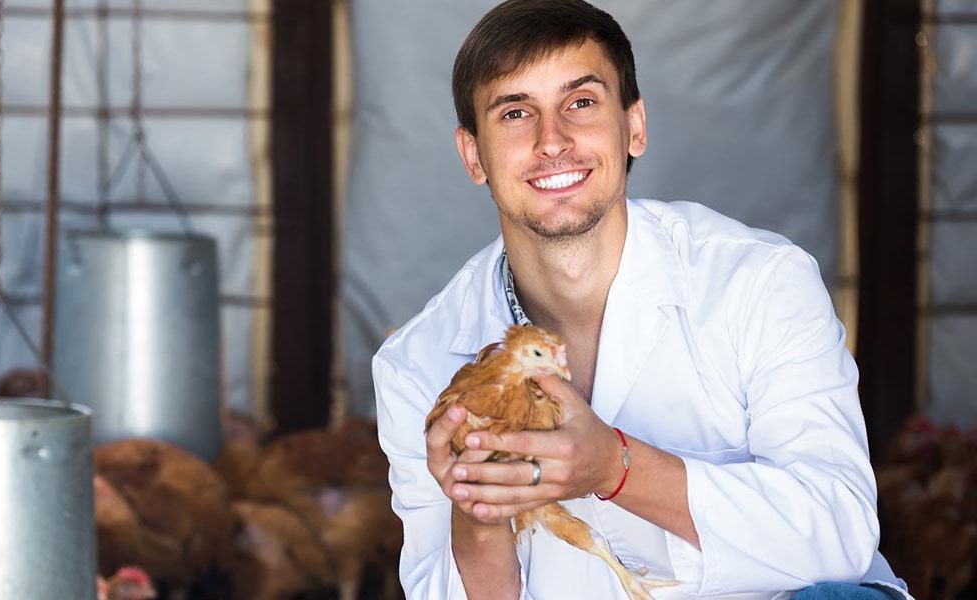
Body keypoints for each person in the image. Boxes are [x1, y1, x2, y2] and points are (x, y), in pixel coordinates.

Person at [371, 1, 911, 599]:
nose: (552, 141)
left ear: (634, 126)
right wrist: (477, 512)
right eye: (516, 113)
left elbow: (842, 531)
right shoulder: (417, 366)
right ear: (474, 155)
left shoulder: (760, 281)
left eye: (581, 102)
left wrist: (617, 467)